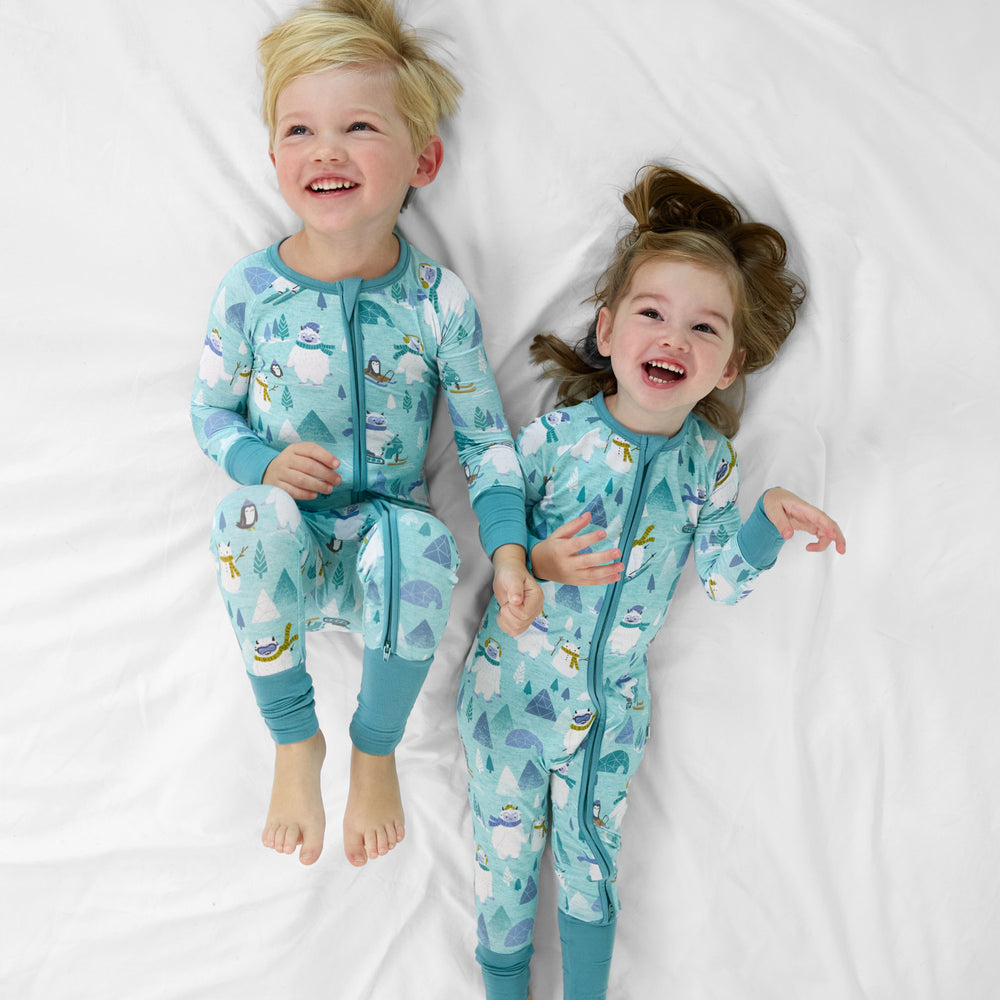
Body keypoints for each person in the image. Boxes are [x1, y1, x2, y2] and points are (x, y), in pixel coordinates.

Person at [456, 165, 846, 1000]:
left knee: (591, 869)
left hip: (611, 711)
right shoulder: (557, 439)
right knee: (508, 862)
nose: (675, 338)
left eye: (704, 329)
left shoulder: (708, 464)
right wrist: (532, 561)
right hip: (510, 692)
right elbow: (492, 507)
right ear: (606, 330)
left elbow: (725, 579)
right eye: (652, 313)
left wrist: (768, 518)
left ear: (731, 367)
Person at [192, 0, 541, 869]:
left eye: (358, 126)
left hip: (389, 557)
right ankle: (294, 739)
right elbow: (209, 411)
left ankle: (374, 748)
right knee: (244, 518)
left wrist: (507, 551)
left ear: (422, 160)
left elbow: (487, 442)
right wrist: (261, 462)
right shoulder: (249, 292)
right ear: (273, 155)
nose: (326, 150)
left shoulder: (438, 301)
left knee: (426, 542)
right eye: (299, 129)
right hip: (288, 548)